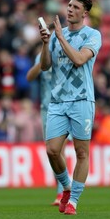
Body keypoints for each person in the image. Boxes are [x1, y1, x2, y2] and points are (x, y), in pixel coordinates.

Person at [38, 0, 102, 215]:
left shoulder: (92, 35)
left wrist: (60, 37)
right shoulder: (56, 35)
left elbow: (79, 59)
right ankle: (66, 187)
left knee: (81, 152)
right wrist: (46, 44)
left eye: (75, 7)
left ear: (84, 13)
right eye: (69, 5)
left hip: (82, 100)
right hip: (57, 101)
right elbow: (45, 66)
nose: (70, 9)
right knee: (52, 150)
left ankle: (73, 200)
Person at [27, 51, 69, 206]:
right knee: (52, 152)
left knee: (60, 151)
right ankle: (62, 189)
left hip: (65, 106)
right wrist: (42, 63)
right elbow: (29, 77)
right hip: (48, 109)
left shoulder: (66, 51)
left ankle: (62, 192)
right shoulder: (41, 55)